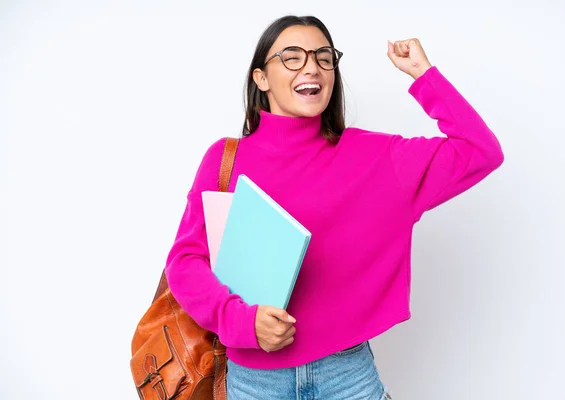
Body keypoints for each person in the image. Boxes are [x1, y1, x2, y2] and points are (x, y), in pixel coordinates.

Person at [164, 14, 503, 400]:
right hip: (253, 382)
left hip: (348, 377)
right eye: (292, 57)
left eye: (324, 57)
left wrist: (422, 74)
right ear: (261, 78)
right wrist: (239, 320)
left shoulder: (377, 158)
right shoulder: (225, 160)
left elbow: (480, 151)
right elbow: (186, 261)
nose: (312, 67)